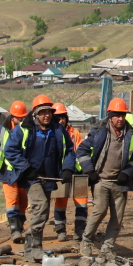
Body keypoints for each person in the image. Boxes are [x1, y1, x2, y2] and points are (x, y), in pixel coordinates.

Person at [3, 94, 76, 262]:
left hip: (49, 177)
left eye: (49, 112)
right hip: (30, 177)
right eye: (43, 112)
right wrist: (25, 168)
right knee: (41, 206)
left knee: (42, 212)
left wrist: (67, 169)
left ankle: (31, 250)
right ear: (35, 114)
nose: (47, 115)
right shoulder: (24, 129)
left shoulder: (57, 130)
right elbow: (10, 150)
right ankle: (34, 246)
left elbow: (69, 151)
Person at [76, 97, 133, 257]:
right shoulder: (99, 132)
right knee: (99, 211)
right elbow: (81, 151)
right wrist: (89, 171)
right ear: (110, 116)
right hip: (101, 181)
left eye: (122, 115)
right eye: (117, 115)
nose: (120, 119)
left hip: (120, 182)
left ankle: (107, 247)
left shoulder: (130, 134)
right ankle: (86, 241)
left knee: (117, 217)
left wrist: (127, 172)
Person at [0, 100, 29, 244]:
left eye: (22, 117)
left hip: (23, 171)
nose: (20, 120)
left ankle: (19, 227)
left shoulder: (28, 130)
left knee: (23, 202)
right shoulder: (1, 131)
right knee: (12, 201)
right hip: (7, 172)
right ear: (11, 116)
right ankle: (14, 230)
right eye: (18, 117)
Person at [51, 103, 87, 241]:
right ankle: (60, 230)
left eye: (63, 117)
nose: (61, 120)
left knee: (81, 201)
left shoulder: (74, 132)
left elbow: (79, 151)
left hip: (78, 172)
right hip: (61, 172)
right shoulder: (52, 133)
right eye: (58, 117)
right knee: (60, 200)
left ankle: (79, 229)